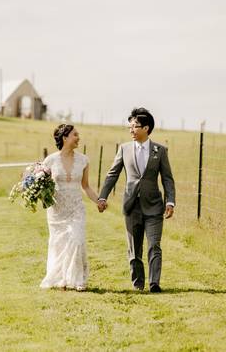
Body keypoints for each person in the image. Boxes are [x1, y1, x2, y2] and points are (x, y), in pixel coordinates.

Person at [98, 107, 175, 293]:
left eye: (135, 126)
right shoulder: (123, 149)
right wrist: (102, 196)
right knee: (134, 249)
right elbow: (112, 174)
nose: (131, 130)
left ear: (146, 128)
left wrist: (170, 201)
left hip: (154, 207)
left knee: (155, 244)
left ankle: (154, 283)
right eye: (130, 127)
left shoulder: (160, 151)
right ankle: (138, 283)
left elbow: (167, 178)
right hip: (132, 206)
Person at [40, 124, 100, 291]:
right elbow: (43, 185)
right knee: (59, 244)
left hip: (76, 208)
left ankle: (78, 279)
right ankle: (62, 279)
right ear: (65, 138)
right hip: (57, 210)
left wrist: (98, 201)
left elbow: (86, 186)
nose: (78, 137)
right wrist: (37, 193)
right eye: (75, 135)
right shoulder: (50, 161)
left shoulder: (84, 160)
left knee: (77, 239)